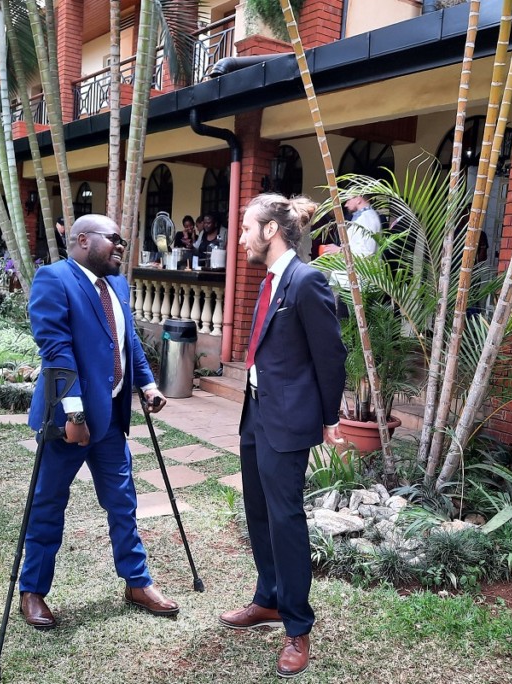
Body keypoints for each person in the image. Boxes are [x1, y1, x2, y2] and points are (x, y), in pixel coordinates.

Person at [20, 214, 178, 631]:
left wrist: (146, 383)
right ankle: (32, 590)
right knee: (49, 502)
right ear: (83, 240)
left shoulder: (118, 286)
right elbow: (56, 350)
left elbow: (127, 344)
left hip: (110, 420)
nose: (122, 245)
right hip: (67, 420)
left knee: (123, 502)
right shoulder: (54, 279)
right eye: (115, 239)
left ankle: (136, 582)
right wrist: (74, 414)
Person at [218, 193, 347, 678]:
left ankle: (297, 626)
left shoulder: (307, 280)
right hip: (257, 415)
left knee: (286, 521)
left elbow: (330, 356)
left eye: (248, 228)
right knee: (258, 513)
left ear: (271, 230)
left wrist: (329, 418)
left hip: (288, 422)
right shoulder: (270, 281)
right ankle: (267, 600)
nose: (243, 237)